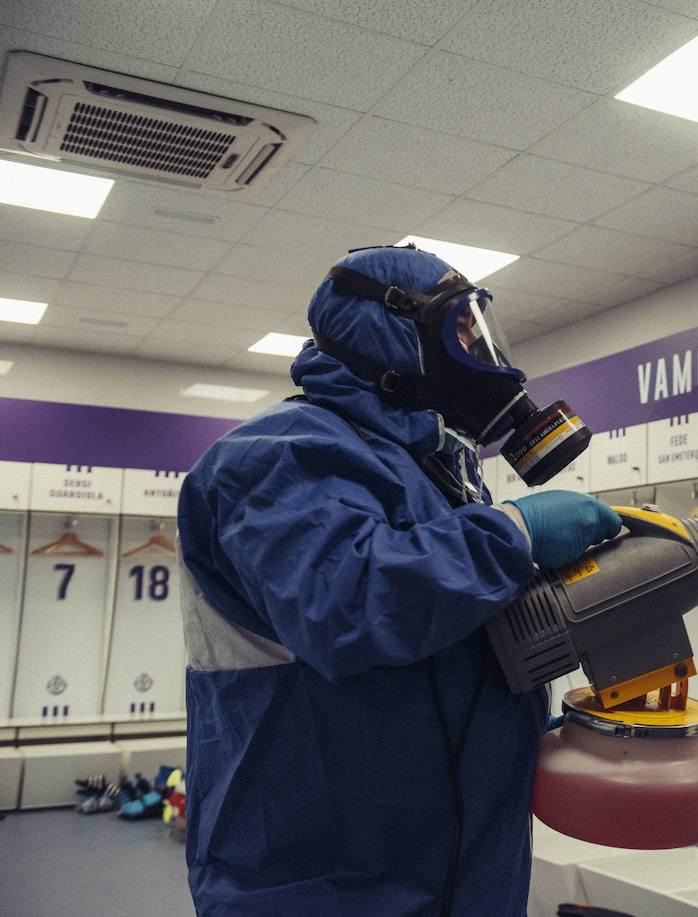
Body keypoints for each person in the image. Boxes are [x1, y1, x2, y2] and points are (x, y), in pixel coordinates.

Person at [176, 243, 622, 916]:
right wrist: (516, 535)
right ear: (390, 332)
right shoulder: (274, 457)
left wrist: (515, 708)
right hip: (319, 885)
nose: (480, 353)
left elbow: (439, 637)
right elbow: (345, 602)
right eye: (462, 331)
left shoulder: (432, 469)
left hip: (454, 876)